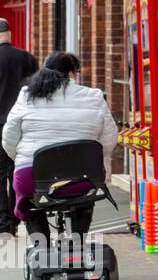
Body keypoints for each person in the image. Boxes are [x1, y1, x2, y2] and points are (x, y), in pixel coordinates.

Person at [2, 53, 118, 243]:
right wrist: (90, 159)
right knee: (84, 201)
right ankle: (77, 243)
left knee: (31, 202)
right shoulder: (94, 96)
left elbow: (8, 137)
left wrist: (22, 159)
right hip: (83, 177)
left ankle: (42, 247)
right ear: (72, 74)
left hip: (33, 177)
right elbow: (110, 138)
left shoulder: (27, 95)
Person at [0, 18, 37, 236]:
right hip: (23, 124)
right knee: (17, 170)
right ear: (10, 34)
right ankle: (16, 216)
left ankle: (3, 223)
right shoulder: (26, 58)